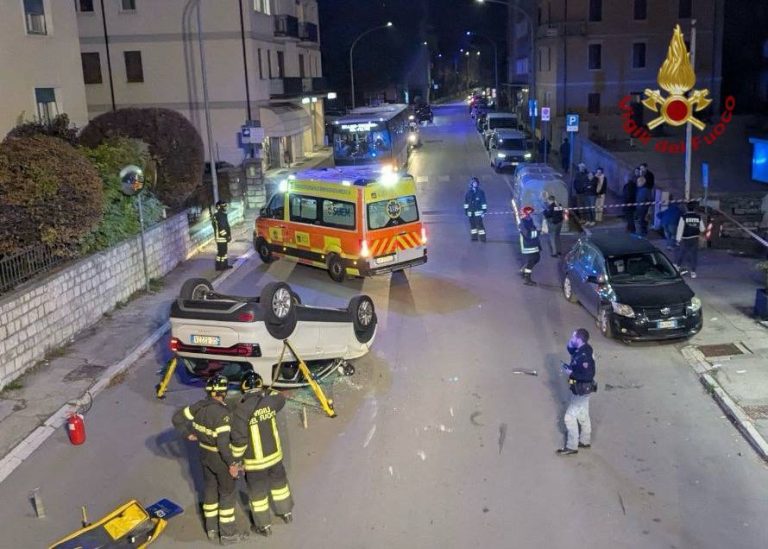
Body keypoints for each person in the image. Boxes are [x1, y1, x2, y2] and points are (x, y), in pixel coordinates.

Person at [172, 375, 248, 545]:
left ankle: (211, 529)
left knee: (210, 490)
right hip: (220, 459)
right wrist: (232, 464)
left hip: (204, 456)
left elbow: (177, 419)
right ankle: (228, 535)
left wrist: (188, 434)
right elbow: (222, 444)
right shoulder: (222, 414)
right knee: (227, 494)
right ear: (224, 392)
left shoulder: (198, 407)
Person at [231, 371, 294, 537]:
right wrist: (267, 391)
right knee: (280, 487)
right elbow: (279, 396)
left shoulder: (240, 411)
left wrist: (235, 461)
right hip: (275, 457)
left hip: (254, 464)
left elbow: (239, 441)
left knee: (258, 495)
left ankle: (264, 525)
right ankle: (286, 513)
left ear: (243, 388)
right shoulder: (271, 402)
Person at [557, 328, 597, 456]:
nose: (572, 338)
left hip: (582, 389)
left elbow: (588, 375)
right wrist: (571, 341)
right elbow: (570, 350)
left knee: (569, 417)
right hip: (578, 389)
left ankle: (571, 446)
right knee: (583, 414)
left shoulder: (585, 355)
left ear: (579, 339)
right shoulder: (581, 349)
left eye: (573, 337)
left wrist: (571, 373)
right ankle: (585, 441)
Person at [676, 201, 706, 278]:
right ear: (694, 208)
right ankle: (693, 272)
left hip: (685, 238)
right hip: (695, 238)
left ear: (686, 208)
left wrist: (678, 239)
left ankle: (678, 267)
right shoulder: (698, 217)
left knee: (682, 253)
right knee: (694, 255)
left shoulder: (684, 217)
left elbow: (680, 229)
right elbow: (702, 229)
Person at [518, 206, 541, 286]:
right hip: (528, 246)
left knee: (537, 259)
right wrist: (538, 232)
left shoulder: (529, 221)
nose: (530, 215)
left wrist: (537, 231)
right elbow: (528, 235)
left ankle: (524, 271)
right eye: (529, 213)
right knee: (532, 261)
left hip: (533, 244)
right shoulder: (522, 223)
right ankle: (527, 279)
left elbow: (533, 230)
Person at [464, 177, 488, 242]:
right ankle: (474, 237)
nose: (475, 184)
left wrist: (484, 211)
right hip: (470, 212)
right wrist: (466, 211)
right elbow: (466, 203)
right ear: (471, 184)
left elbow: (483, 202)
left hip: (478, 212)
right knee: (473, 226)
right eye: (474, 183)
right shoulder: (468, 193)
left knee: (480, 226)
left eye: (476, 183)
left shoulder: (480, 192)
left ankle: (483, 238)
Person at [212, 201, 232, 271]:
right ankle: (219, 266)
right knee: (221, 252)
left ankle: (224, 265)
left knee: (224, 252)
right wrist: (226, 236)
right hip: (221, 237)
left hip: (223, 237)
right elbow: (221, 227)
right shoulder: (218, 216)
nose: (225, 207)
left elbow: (226, 226)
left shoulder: (222, 215)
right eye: (224, 206)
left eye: (225, 206)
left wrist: (229, 235)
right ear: (219, 207)